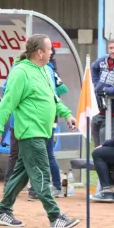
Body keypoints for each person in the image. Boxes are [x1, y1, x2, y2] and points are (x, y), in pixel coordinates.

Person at [0, 34, 79, 228]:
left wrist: (66, 113)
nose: (52, 52)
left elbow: (53, 97)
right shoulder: (20, 72)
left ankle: (3, 211)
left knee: (21, 174)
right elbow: (7, 103)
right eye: (49, 49)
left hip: (43, 131)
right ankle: (55, 217)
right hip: (30, 132)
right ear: (40, 52)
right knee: (41, 173)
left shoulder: (46, 70)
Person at [27, 47, 69, 200]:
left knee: (44, 154)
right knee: (43, 154)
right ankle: (48, 187)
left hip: (45, 117)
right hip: (47, 116)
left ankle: (49, 187)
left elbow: (58, 92)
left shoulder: (46, 70)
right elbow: (61, 89)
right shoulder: (50, 68)